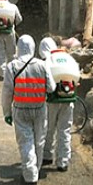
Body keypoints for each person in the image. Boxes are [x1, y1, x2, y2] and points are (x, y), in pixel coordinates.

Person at [2, 35, 54, 185]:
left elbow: (6, 92)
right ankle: (34, 171)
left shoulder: (12, 67)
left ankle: (30, 176)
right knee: (39, 141)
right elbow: (51, 87)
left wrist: (7, 113)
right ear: (33, 48)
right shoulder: (42, 65)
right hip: (39, 109)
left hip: (20, 109)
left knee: (26, 142)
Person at [39, 37, 76, 172]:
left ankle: (47, 156)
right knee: (64, 131)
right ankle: (63, 162)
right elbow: (76, 79)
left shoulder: (47, 62)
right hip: (69, 100)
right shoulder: (68, 57)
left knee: (48, 129)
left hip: (52, 101)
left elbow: (47, 85)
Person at [0, 0, 22, 76]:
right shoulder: (12, 6)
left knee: (0, 54)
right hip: (10, 33)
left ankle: (2, 74)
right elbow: (19, 19)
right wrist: (13, 25)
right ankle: (12, 72)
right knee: (11, 54)